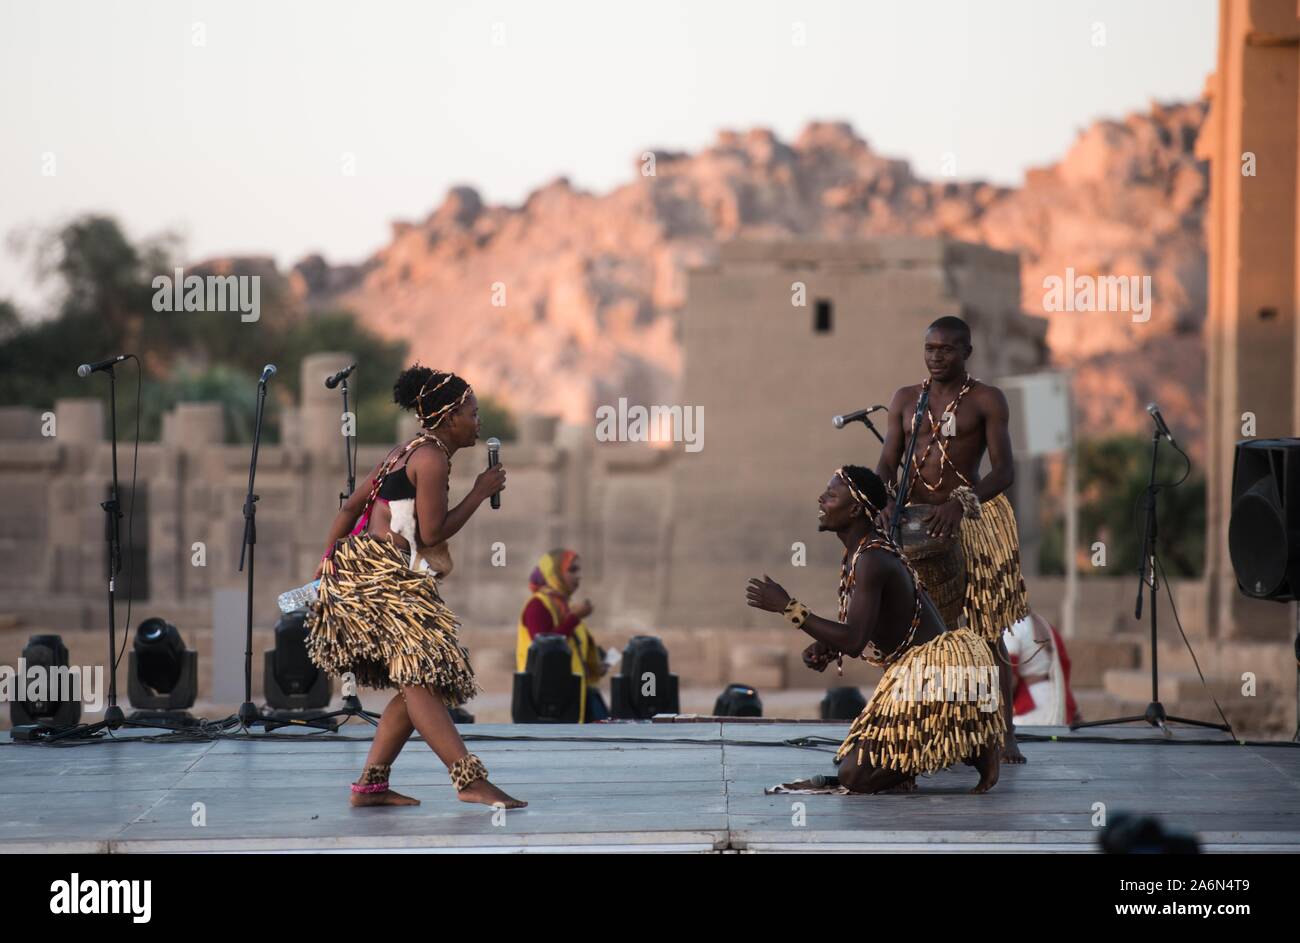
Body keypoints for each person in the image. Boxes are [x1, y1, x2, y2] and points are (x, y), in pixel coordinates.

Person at [306, 364, 525, 809]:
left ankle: (370, 786)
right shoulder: (431, 459)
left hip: (368, 572)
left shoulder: (404, 451)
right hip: (385, 579)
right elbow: (431, 533)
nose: (479, 421)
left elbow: (350, 509)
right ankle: (468, 780)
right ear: (448, 416)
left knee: (418, 682)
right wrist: (481, 492)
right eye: (472, 412)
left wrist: (326, 563)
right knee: (421, 678)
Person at [745, 465, 1004, 794]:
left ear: (854, 509)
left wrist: (789, 608)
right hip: (936, 671)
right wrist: (830, 645)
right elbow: (866, 627)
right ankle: (961, 743)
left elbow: (854, 640)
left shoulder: (871, 559)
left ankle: (970, 743)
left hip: (938, 675)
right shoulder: (863, 552)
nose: (821, 500)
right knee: (857, 769)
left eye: (831, 495)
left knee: (855, 777)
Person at [876, 315, 1031, 764]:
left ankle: (1002, 732)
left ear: (966, 352)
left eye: (946, 349)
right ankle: (914, 729)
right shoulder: (906, 400)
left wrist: (960, 503)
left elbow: (1004, 470)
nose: (936, 356)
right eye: (929, 348)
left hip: (972, 518)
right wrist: (882, 498)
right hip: (914, 520)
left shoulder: (986, 400)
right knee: (909, 627)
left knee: (986, 628)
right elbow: (888, 460)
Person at [516, 549, 609, 722]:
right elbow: (546, 647)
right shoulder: (537, 605)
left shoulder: (564, 606)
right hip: (545, 698)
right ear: (555, 574)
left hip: (573, 693)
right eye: (572, 570)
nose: (578, 576)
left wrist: (594, 667)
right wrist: (574, 619)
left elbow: (571, 652)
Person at [1005, 611, 1081, 726]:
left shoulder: (1013, 625)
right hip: (1054, 696)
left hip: (1031, 708)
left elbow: (1007, 679)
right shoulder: (1041, 622)